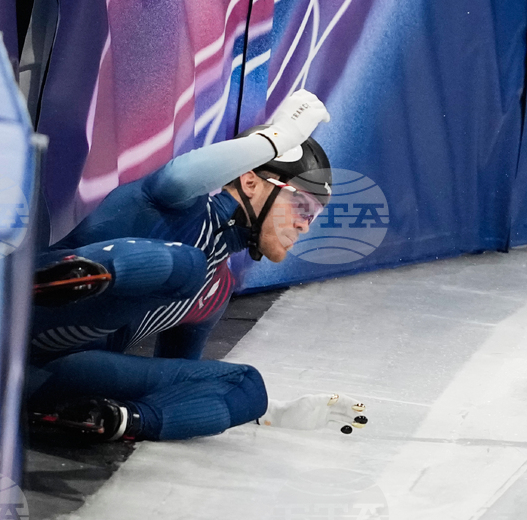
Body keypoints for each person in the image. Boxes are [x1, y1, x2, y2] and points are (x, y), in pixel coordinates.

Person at [26, 90, 368, 442]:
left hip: (52, 372)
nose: (305, 225)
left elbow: (179, 375)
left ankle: (111, 421)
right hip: (25, 316)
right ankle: (42, 283)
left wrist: (261, 413)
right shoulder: (176, 203)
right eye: (302, 206)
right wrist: (278, 139)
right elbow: (179, 176)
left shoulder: (217, 291)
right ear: (250, 182)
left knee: (248, 386)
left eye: (314, 216)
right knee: (189, 267)